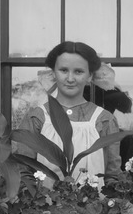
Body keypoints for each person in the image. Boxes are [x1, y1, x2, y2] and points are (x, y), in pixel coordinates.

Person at [22, 41, 122, 188]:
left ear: (89, 76)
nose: (70, 78)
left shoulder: (104, 120)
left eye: (78, 71)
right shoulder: (37, 118)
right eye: (63, 70)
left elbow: (112, 175)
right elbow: (23, 171)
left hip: (93, 207)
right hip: (46, 208)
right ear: (53, 73)